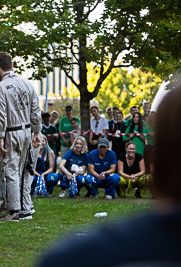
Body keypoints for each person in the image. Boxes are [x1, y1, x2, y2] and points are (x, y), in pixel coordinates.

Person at [38, 80, 181, 267]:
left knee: (112, 177)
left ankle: (106, 191)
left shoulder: (75, 256)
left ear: (160, 157)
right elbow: (78, 166)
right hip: (97, 178)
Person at [0, 52, 41, 222]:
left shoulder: (0, 87)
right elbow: (35, 109)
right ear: (12, 65)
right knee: (21, 170)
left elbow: (0, 116)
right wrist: (36, 131)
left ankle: (14, 211)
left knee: (11, 170)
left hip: (12, 131)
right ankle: (24, 208)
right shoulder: (26, 84)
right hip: (27, 130)